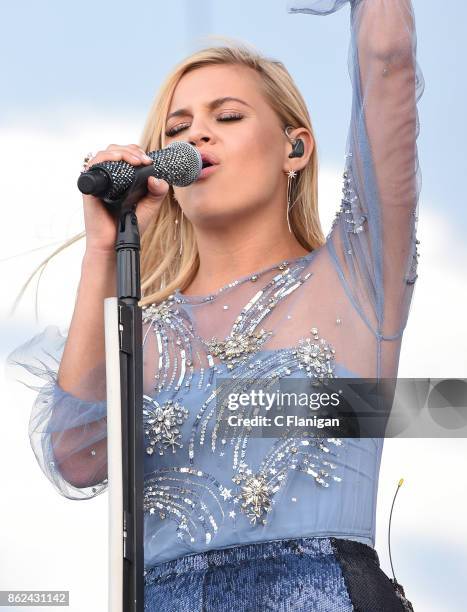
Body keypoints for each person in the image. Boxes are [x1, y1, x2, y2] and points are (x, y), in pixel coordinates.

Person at [7, 0, 424, 610]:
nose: (196, 135)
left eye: (226, 116)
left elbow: (390, 63)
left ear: (296, 149)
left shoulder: (356, 276)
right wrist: (106, 245)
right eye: (176, 129)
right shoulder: (142, 329)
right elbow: (77, 457)